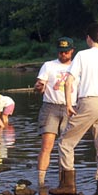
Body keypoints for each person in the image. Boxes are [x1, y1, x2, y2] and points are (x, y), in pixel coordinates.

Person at [50, 22, 98, 195]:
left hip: (88, 102)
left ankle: (68, 185)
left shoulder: (82, 56)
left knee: (65, 143)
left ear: (88, 38)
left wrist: (68, 104)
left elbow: (69, 81)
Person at [34, 36, 77, 187]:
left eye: (66, 52)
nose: (63, 55)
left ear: (72, 51)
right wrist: (39, 87)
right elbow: (39, 86)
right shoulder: (48, 65)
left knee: (66, 147)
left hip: (70, 108)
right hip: (50, 106)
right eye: (60, 52)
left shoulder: (78, 67)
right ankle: (40, 182)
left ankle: (64, 182)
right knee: (47, 146)